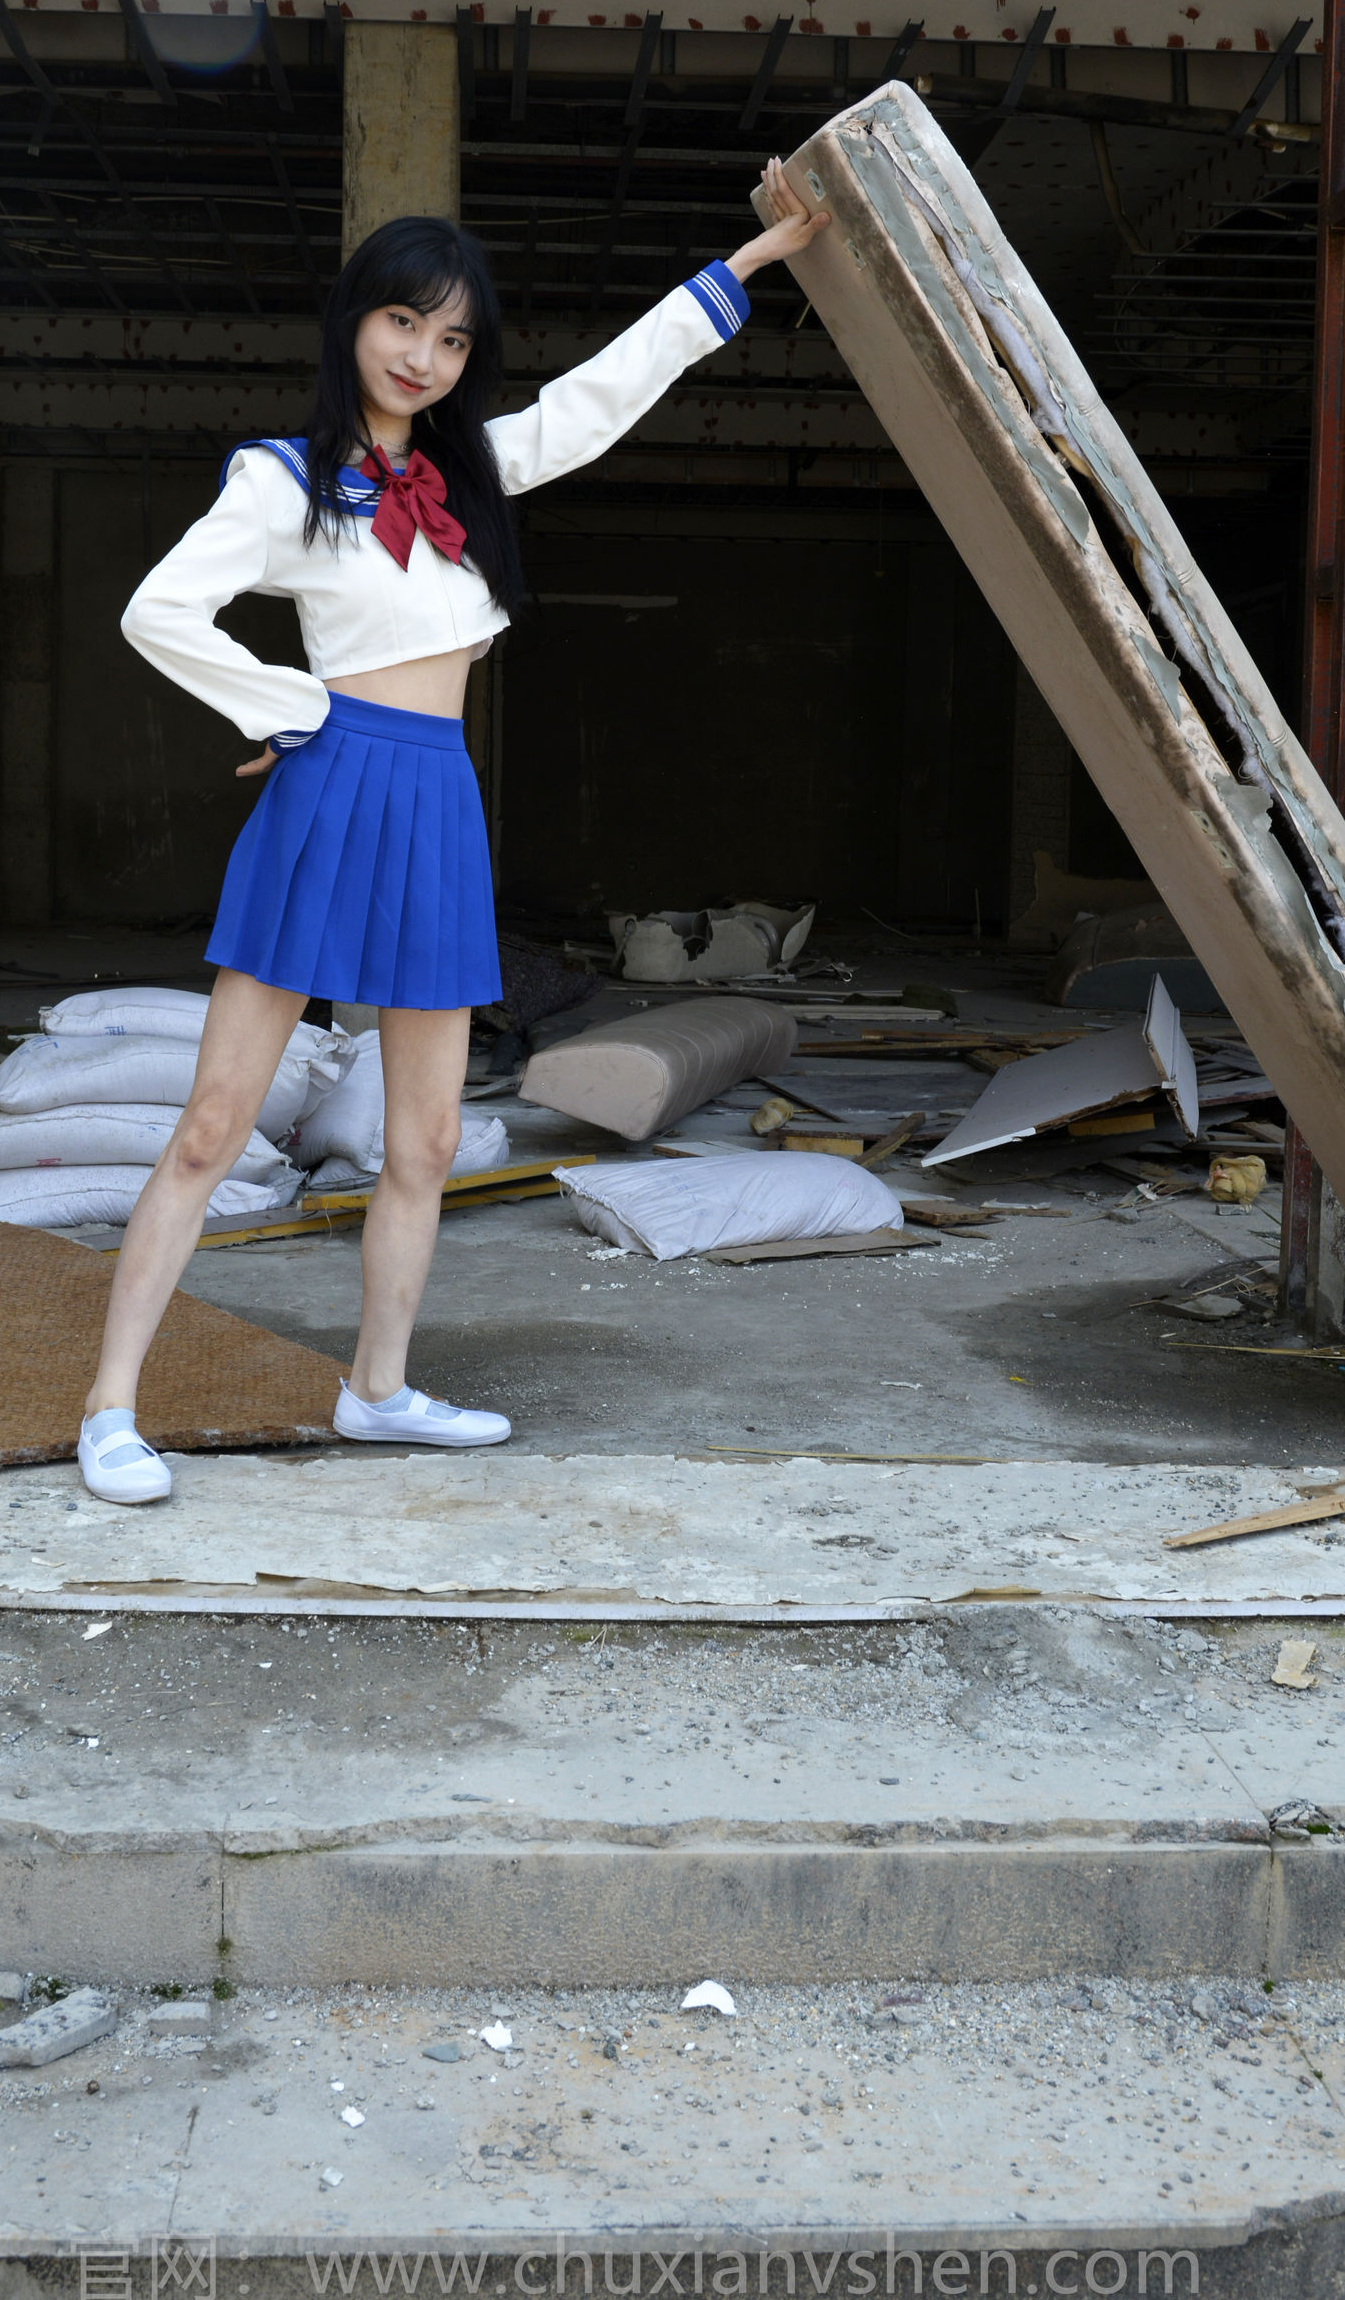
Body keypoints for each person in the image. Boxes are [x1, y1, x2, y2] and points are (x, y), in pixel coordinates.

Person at [75, 159, 828, 1504]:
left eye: (452, 337)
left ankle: (377, 1391)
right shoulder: (282, 481)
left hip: (436, 800)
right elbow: (158, 612)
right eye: (401, 321)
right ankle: (110, 1410)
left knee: (422, 1141)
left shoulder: (472, 475)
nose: (422, 355)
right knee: (212, 1124)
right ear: (353, 321)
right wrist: (294, 710)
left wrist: (753, 262)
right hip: (330, 786)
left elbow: (601, 397)